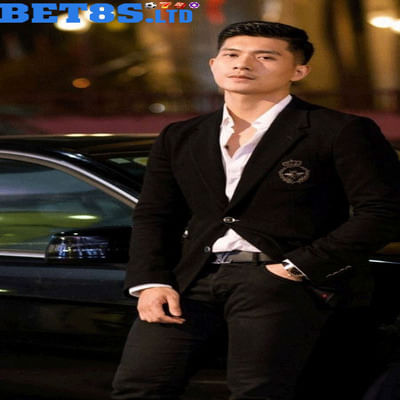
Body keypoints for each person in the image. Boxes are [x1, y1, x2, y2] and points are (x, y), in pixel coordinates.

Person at [111, 21, 400, 400]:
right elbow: (155, 215)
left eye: (265, 57)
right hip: (191, 280)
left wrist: (296, 268)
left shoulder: (339, 130)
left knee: (258, 392)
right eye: (232, 54)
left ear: (299, 71)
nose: (243, 64)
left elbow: (384, 211)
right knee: (138, 386)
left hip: (281, 280)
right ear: (214, 64)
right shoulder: (181, 135)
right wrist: (151, 282)